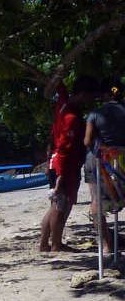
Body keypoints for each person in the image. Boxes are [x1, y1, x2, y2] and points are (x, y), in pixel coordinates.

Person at [39, 77, 99, 252]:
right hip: (64, 165)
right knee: (61, 205)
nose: (91, 101)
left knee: (55, 204)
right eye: (90, 97)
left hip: (57, 162)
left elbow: (61, 89)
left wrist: (59, 78)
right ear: (82, 94)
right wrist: (61, 176)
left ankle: (44, 244)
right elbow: (65, 148)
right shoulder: (71, 117)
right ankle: (56, 245)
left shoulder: (63, 103)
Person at [84, 77, 125, 254]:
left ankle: (107, 244)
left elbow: (87, 140)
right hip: (123, 161)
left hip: (101, 163)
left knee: (96, 203)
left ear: (105, 94)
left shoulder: (95, 114)